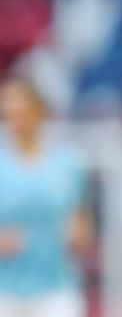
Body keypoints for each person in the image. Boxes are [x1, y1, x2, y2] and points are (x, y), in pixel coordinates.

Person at [0, 76, 94, 317]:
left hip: (56, 288)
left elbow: (82, 221)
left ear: (39, 111)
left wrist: (79, 234)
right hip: (5, 290)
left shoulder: (67, 163)